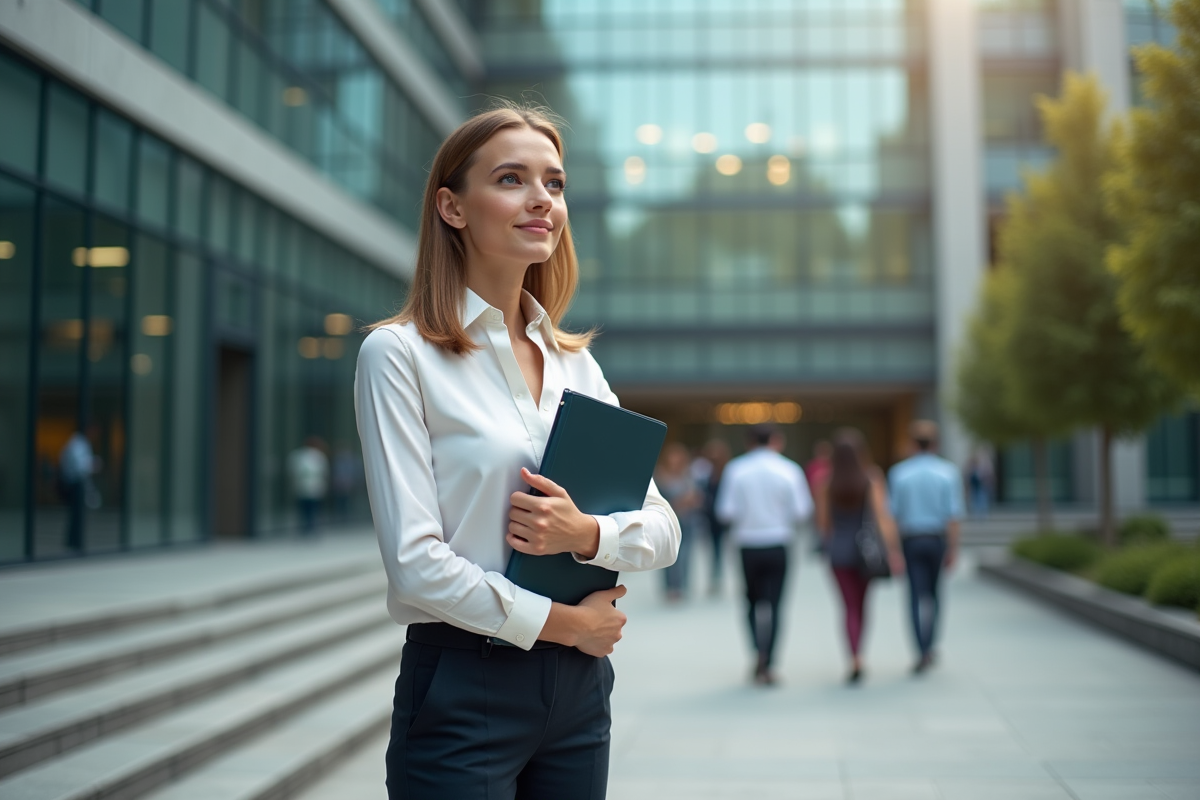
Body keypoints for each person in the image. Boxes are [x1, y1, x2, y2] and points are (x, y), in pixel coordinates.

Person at [354, 103, 681, 799]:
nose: (542, 200)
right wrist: (565, 625)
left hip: (580, 692)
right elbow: (414, 566)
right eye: (511, 179)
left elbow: (663, 527)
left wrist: (587, 533)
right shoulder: (399, 355)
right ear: (452, 207)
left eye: (555, 184)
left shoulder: (575, 366)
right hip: (465, 686)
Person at [715, 424, 813, 686]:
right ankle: (769, 660)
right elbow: (802, 512)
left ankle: (757, 653)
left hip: (747, 543)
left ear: (749, 442)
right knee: (776, 605)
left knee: (750, 602)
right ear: (777, 440)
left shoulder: (736, 469)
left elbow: (725, 511)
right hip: (778, 541)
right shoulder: (789, 469)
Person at [815, 429, 903, 684]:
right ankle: (860, 654)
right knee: (863, 606)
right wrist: (894, 551)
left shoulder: (825, 482)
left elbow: (823, 524)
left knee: (848, 607)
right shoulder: (871, 478)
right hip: (867, 551)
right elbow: (882, 519)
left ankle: (853, 656)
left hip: (838, 551)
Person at [888, 420, 965, 674]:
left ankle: (920, 649)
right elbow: (952, 516)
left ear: (912, 444)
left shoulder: (899, 473)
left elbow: (894, 516)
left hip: (911, 539)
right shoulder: (947, 472)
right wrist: (953, 549)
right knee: (934, 595)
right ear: (935, 444)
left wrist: (894, 550)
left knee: (913, 596)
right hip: (936, 538)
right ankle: (930, 645)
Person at [655, 442, 702, 602]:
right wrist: (680, 501)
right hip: (667, 522)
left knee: (686, 555)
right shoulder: (660, 476)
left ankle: (682, 586)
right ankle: (670, 587)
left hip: (687, 521)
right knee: (667, 554)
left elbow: (698, 497)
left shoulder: (689, 475)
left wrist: (692, 500)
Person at [697, 438, 731, 595]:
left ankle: (719, 578)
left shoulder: (729, 471)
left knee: (724, 549)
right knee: (713, 549)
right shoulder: (704, 471)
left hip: (726, 516)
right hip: (710, 516)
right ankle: (715, 578)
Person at [57, 428, 98, 553]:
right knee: (76, 514)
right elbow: (80, 466)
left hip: (74, 482)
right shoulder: (78, 443)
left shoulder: (76, 443)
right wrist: (93, 465)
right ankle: (74, 542)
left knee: (76, 514)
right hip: (76, 483)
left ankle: (73, 541)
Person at [288, 436, 329, 534]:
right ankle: (309, 527)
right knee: (311, 509)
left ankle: (308, 528)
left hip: (307, 487)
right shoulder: (317, 456)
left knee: (306, 509)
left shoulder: (299, 455)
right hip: (311, 487)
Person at [967, 447, 995, 518]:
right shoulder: (972, 466)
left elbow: (989, 475)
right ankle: (977, 514)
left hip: (982, 485)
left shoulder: (985, 465)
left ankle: (983, 514)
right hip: (975, 486)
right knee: (976, 499)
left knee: (982, 499)